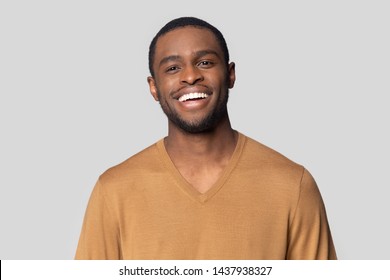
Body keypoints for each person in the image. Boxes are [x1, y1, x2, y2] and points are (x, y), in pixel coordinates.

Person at [75, 16, 337, 260]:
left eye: (205, 63)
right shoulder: (113, 191)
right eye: (173, 68)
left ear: (230, 74)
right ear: (153, 87)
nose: (190, 76)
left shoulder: (292, 185)